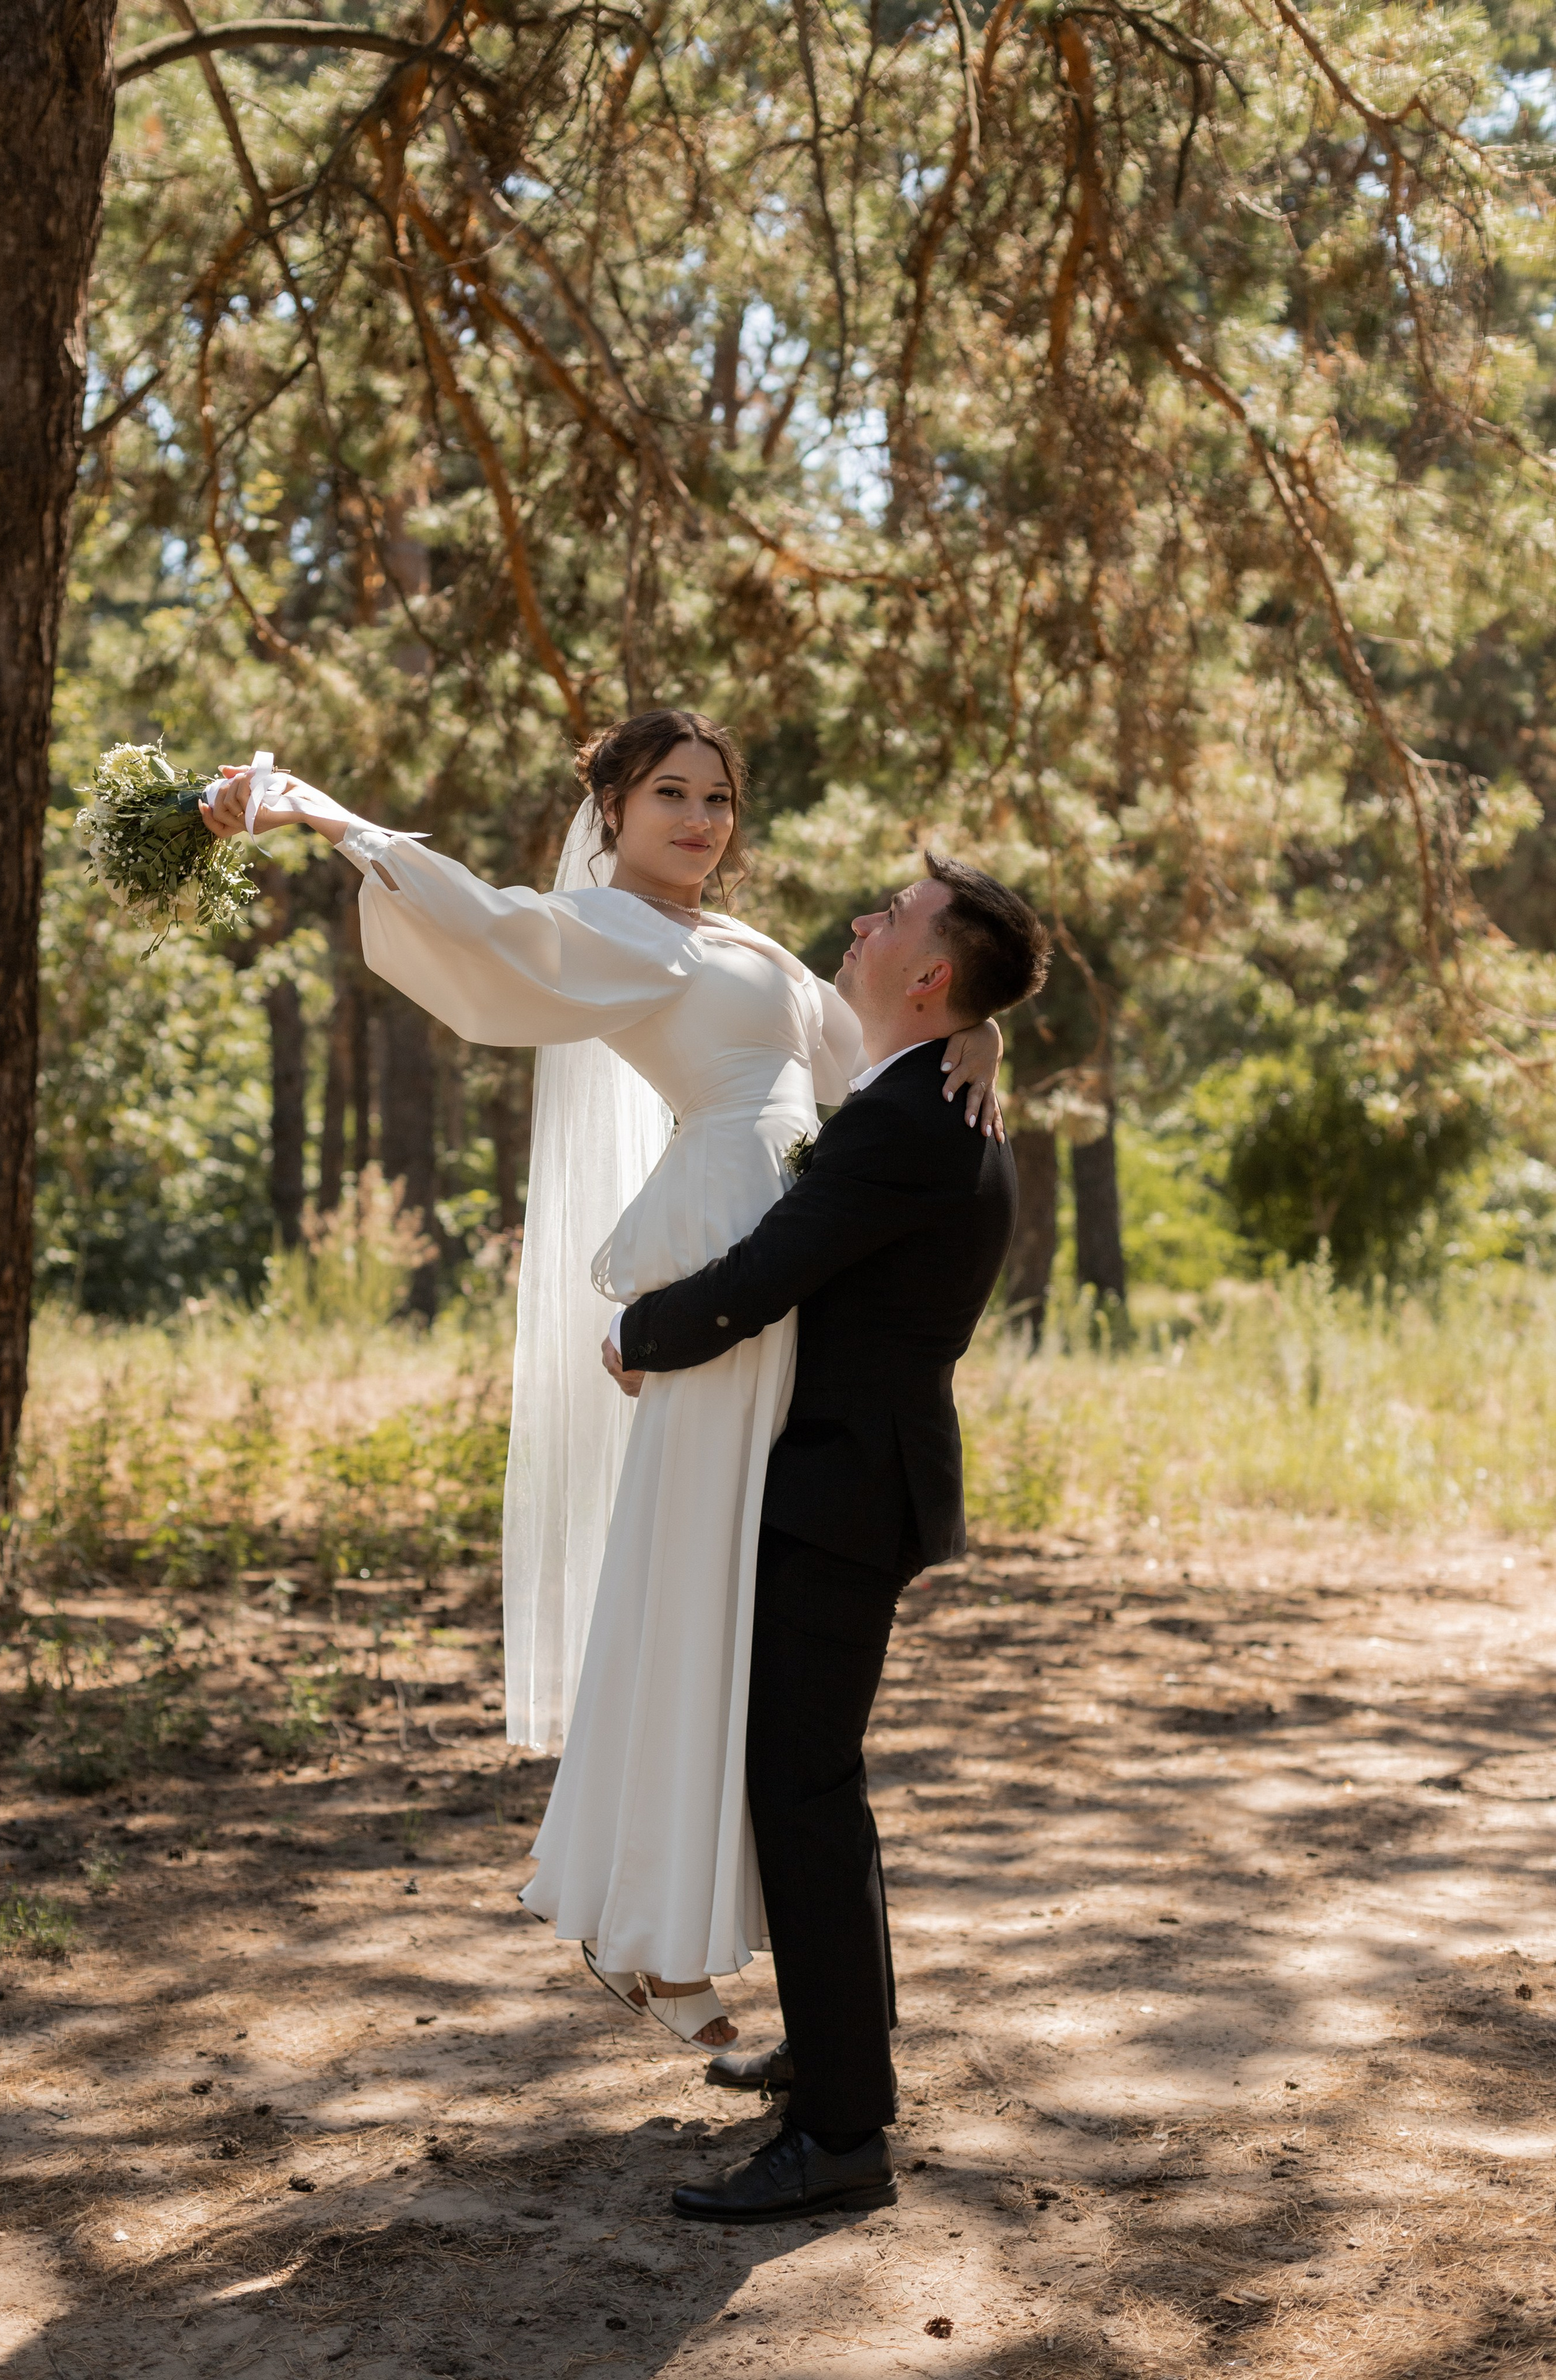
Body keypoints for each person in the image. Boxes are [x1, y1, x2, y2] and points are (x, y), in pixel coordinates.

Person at [200, 715, 1005, 2048]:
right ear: (613, 811)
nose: (698, 820)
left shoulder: (734, 944)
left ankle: (665, 1925)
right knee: (694, 1577)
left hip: (782, 1257)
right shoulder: (621, 931)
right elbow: (491, 927)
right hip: (728, 1252)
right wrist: (323, 817)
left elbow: (870, 1053)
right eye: (667, 796)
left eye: (716, 798)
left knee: (725, 1595)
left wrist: (980, 1039)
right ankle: (642, 1926)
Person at [603, 853, 1051, 2219]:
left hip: (841, 1492)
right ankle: (833, 2055)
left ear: (926, 974)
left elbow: (763, 1274)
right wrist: (980, 1021)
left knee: (802, 1795)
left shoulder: (909, 1121)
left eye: (890, 921)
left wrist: (640, 1334)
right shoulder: (921, 1086)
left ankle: (845, 2135)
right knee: (806, 1789)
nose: (857, 925)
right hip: (848, 1480)